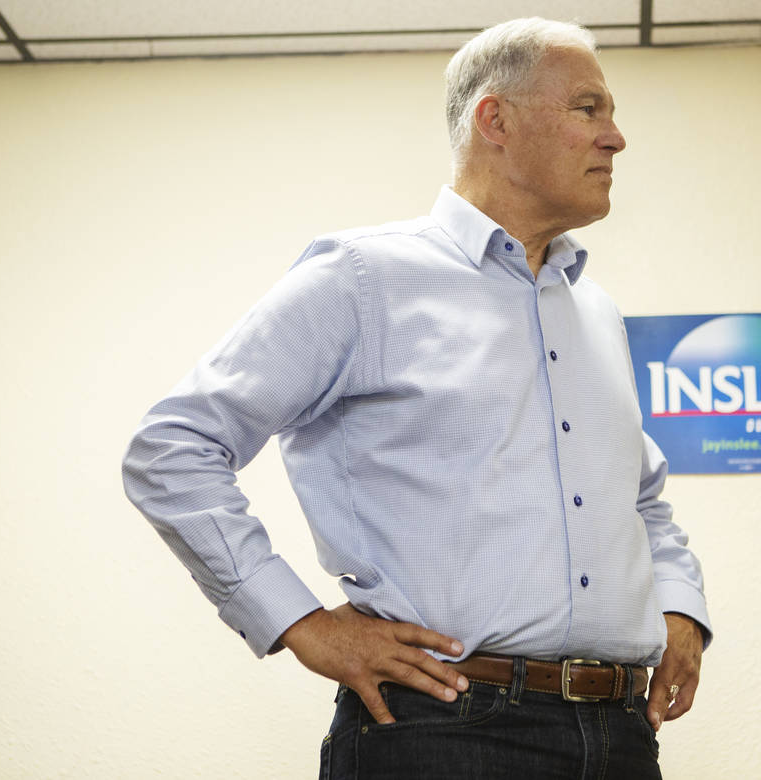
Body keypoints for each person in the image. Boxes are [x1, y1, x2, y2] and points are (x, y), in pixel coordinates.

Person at [123, 17, 710, 779]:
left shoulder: (594, 310)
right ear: (494, 119)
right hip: (443, 730)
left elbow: (641, 500)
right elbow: (173, 447)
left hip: (620, 736)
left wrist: (681, 609)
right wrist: (300, 623)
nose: (616, 138)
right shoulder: (363, 278)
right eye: (588, 109)